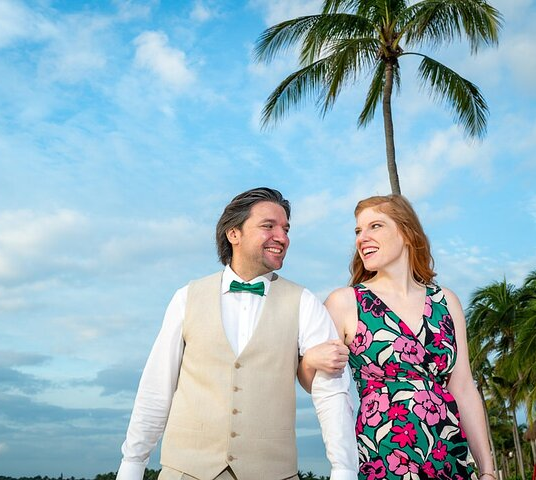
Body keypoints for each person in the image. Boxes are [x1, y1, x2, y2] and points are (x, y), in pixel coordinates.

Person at [116, 187, 357, 480]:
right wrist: (132, 463)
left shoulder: (304, 302)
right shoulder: (186, 297)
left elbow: (330, 391)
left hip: (273, 473)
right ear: (234, 234)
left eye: (285, 229)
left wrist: (344, 469)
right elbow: (156, 387)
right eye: (268, 226)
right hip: (185, 471)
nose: (282, 237)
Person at [299, 194, 495, 480]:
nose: (361, 238)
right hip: (384, 453)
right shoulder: (345, 302)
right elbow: (313, 382)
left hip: (448, 453)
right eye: (358, 230)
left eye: (374, 226)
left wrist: (487, 471)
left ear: (406, 232)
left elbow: (463, 387)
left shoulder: (446, 301)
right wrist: (311, 360)